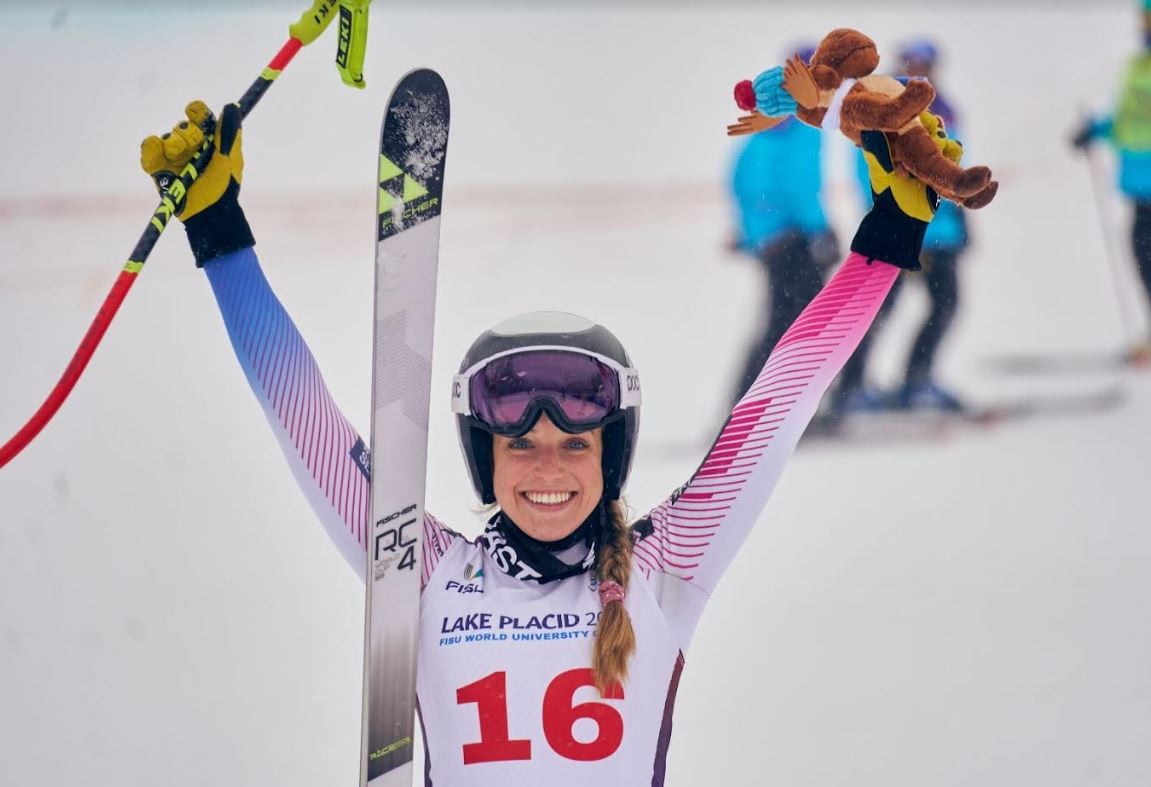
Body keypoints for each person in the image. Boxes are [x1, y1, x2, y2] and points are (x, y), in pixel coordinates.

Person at [141, 95, 909, 784]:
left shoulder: (665, 564)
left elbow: (775, 406)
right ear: (486, 458)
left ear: (611, 458)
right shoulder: (423, 569)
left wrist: (884, 240)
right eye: (520, 445)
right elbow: (302, 416)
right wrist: (218, 234)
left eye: (576, 445)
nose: (548, 466)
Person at [832, 38, 973, 415]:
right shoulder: (882, 111)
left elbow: (957, 168)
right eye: (912, 64)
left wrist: (960, 216)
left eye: (925, 65)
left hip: (940, 231)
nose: (919, 72)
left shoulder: (945, 112)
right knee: (876, 310)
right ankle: (851, 388)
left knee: (944, 304)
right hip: (905, 226)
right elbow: (870, 175)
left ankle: (916, 380)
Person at [728, 44, 839, 406]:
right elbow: (801, 185)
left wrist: (752, 234)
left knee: (781, 324)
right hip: (795, 241)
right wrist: (820, 230)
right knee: (801, 327)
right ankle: (772, 407)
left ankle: (750, 405)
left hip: (774, 242)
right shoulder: (799, 126)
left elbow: (740, 182)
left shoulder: (768, 125)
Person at [1072, 2, 1151, 364]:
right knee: (1143, 257)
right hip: (1139, 184)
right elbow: (1130, 120)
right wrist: (1096, 131)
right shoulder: (1138, 65)